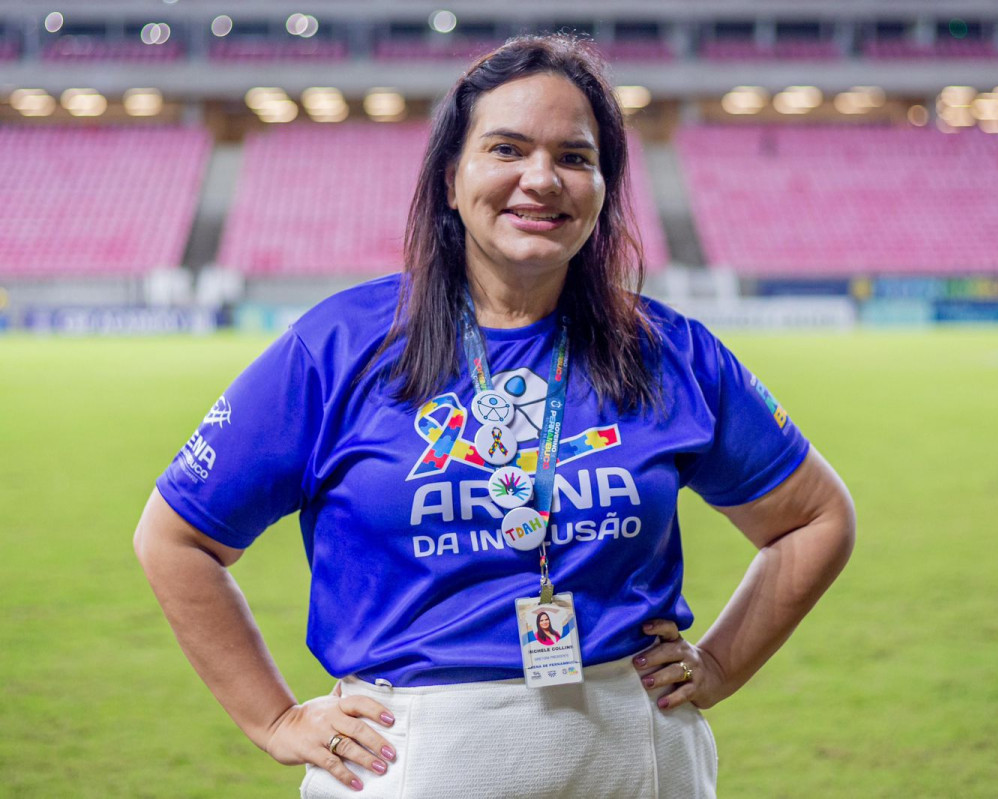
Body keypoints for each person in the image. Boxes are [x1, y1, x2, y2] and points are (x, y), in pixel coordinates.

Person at [134, 34, 855, 798]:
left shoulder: (668, 351)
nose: (541, 179)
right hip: (412, 758)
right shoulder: (338, 346)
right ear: (451, 178)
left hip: (636, 755)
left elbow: (815, 518)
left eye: (574, 157)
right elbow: (176, 536)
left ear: (603, 187)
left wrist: (719, 664)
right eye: (507, 148)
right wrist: (275, 718)